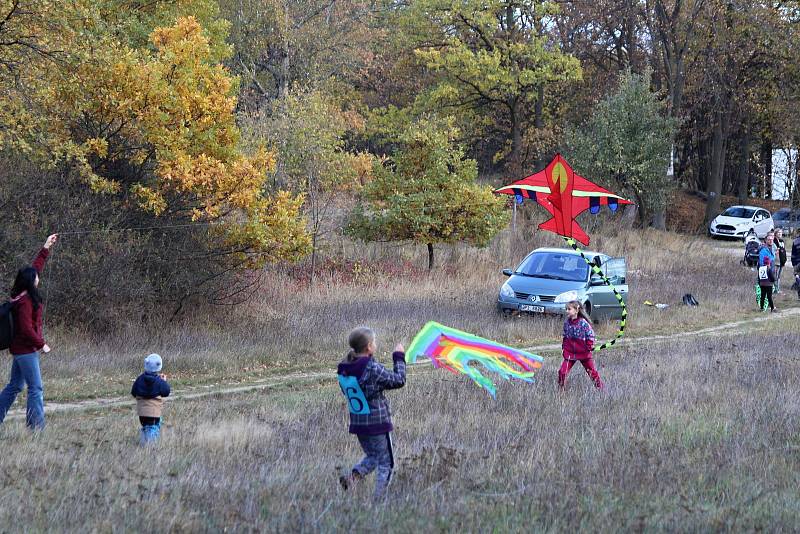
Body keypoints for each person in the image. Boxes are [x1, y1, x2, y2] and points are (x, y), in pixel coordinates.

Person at [337, 327, 406, 499]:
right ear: (369, 346)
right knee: (386, 463)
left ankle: (352, 477)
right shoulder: (372, 368)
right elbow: (399, 380)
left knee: (373, 456)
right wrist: (398, 357)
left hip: (359, 424)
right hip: (377, 424)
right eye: (374, 342)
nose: (375, 344)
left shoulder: (344, 369)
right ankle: (380, 500)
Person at [0, 234, 58, 430]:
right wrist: (42, 344)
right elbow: (25, 328)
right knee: (35, 388)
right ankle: (36, 428)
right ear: (31, 282)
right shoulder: (24, 302)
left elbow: (35, 268)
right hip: (25, 350)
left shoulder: (23, 293)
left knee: (15, 386)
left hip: (20, 349)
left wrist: (46, 247)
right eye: (35, 277)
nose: (38, 277)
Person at [558, 300, 603, 390]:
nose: (567, 311)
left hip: (584, 353)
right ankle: (561, 390)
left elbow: (591, 335)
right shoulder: (567, 323)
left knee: (592, 373)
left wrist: (589, 346)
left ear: (576, 310)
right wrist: (564, 347)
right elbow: (565, 336)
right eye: (566, 309)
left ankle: (601, 389)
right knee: (562, 372)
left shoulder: (583, 323)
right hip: (570, 353)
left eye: (569, 309)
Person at [131, 353, 171, 444]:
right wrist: (164, 381)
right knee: (153, 428)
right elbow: (166, 392)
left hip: (141, 413)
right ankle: (150, 447)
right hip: (154, 413)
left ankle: (143, 443)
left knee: (145, 427)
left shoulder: (139, 379)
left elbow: (133, 392)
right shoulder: (159, 381)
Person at [774, 228, 787, 294]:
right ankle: (776, 289)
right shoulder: (774, 241)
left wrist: (784, 260)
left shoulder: (782, 241)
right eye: (778, 232)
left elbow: (783, 251)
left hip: (782, 261)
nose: (780, 234)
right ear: (775, 233)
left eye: (781, 232)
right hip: (776, 261)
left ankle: (778, 289)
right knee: (775, 276)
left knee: (779, 276)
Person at [792, 230, 800, 300]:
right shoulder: (796, 241)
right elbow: (793, 254)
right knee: (799, 281)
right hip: (798, 264)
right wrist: (794, 265)